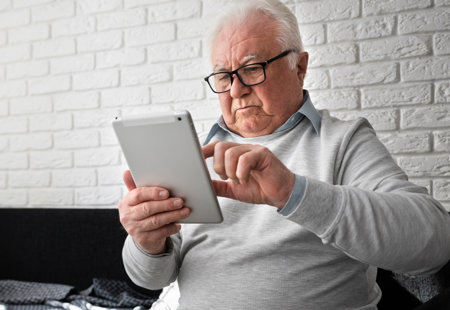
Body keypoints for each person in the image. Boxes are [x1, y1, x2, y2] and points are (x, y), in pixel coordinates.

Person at [118, 0, 450, 309]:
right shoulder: (196, 152)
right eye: (223, 75)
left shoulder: (343, 139)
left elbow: (435, 243)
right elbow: (153, 279)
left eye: (252, 68)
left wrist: (294, 193)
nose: (236, 89)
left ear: (299, 67)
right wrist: (146, 241)